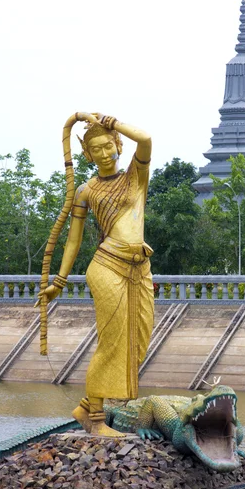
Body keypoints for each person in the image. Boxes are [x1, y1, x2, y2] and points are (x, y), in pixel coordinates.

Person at [38, 113, 154, 437]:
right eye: (96, 150)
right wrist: (58, 283)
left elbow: (144, 139)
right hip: (106, 267)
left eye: (108, 146)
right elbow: (73, 240)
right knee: (111, 341)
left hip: (140, 267)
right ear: (87, 155)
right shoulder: (86, 192)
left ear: (118, 145)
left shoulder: (135, 176)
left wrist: (113, 123)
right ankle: (97, 420)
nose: (103, 154)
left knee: (138, 341)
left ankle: (85, 406)